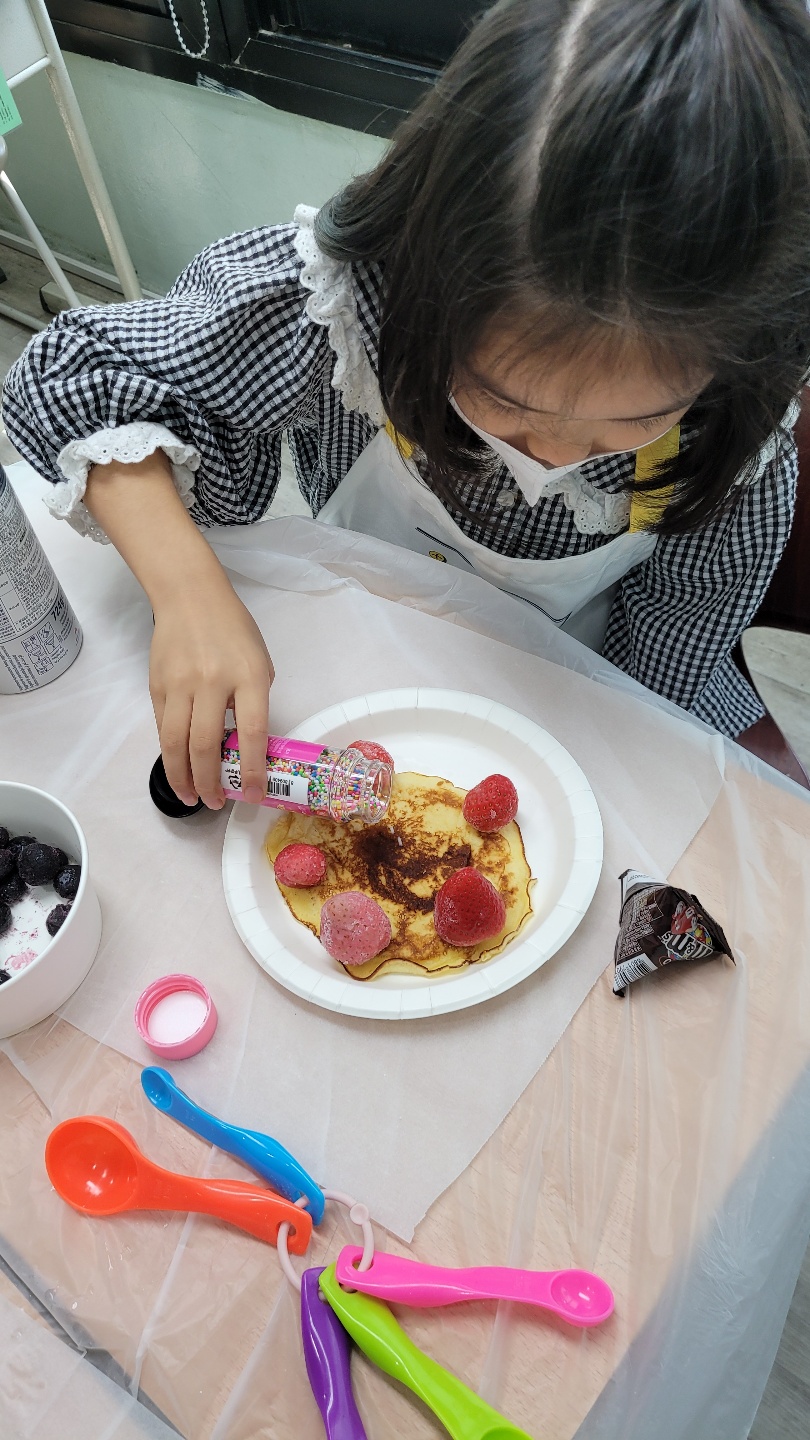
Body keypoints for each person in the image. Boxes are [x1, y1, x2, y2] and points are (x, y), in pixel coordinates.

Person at [4, 0, 810, 811]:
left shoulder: (730, 449)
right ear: (418, 282)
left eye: (630, 424)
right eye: (504, 401)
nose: (556, 456)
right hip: (361, 638)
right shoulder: (346, 311)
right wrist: (188, 594)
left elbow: (650, 687)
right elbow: (75, 373)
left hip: (575, 691)